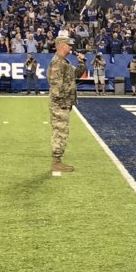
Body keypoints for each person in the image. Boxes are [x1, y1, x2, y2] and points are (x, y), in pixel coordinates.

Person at [48, 32, 83, 172]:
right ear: (61, 45)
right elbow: (56, 86)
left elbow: (76, 75)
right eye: (69, 45)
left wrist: (82, 62)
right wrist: (63, 102)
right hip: (60, 104)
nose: (71, 47)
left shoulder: (64, 62)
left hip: (64, 103)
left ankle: (57, 160)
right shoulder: (57, 62)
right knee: (60, 131)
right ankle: (56, 161)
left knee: (62, 130)